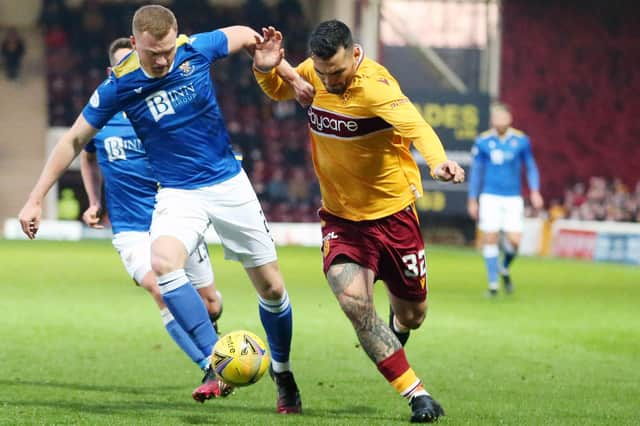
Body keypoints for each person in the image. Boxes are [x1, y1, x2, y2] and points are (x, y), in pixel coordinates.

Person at [18, 5, 312, 413]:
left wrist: (286, 74)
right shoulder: (118, 87)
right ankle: (216, 361)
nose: (163, 60)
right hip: (177, 192)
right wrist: (35, 198)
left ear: (178, 38)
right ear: (135, 43)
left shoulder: (195, 50)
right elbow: (72, 142)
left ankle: (284, 374)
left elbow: (246, 34)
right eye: (154, 53)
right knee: (163, 263)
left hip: (228, 182)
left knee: (273, 289)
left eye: (169, 50)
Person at [252, 20, 465, 423]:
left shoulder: (377, 88)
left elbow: (418, 127)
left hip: (394, 217)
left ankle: (396, 327)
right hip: (341, 220)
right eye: (322, 71)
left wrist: (438, 162)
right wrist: (265, 69)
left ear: (355, 53)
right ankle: (417, 395)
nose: (328, 81)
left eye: (336, 72)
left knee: (413, 315)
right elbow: (281, 88)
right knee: (355, 306)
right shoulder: (315, 71)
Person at [80, 37, 223, 374]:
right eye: (122, 63)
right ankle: (210, 366)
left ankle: (210, 337)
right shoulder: (99, 117)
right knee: (159, 291)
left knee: (211, 303)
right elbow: (85, 157)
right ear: (112, 71)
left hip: (173, 220)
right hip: (131, 228)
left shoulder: (157, 112)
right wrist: (94, 200)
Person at [467, 102, 543, 296]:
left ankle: (504, 267)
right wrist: (472, 199)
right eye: (497, 117)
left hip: (512, 197)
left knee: (515, 241)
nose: (500, 120)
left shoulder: (521, 140)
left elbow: (531, 166)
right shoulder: (482, 141)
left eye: (503, 117)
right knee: (490, 237)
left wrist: (534, 191)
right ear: (492, 120)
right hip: (490, 195)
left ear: (510, 119)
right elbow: (476, 171)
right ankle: (493, 284)